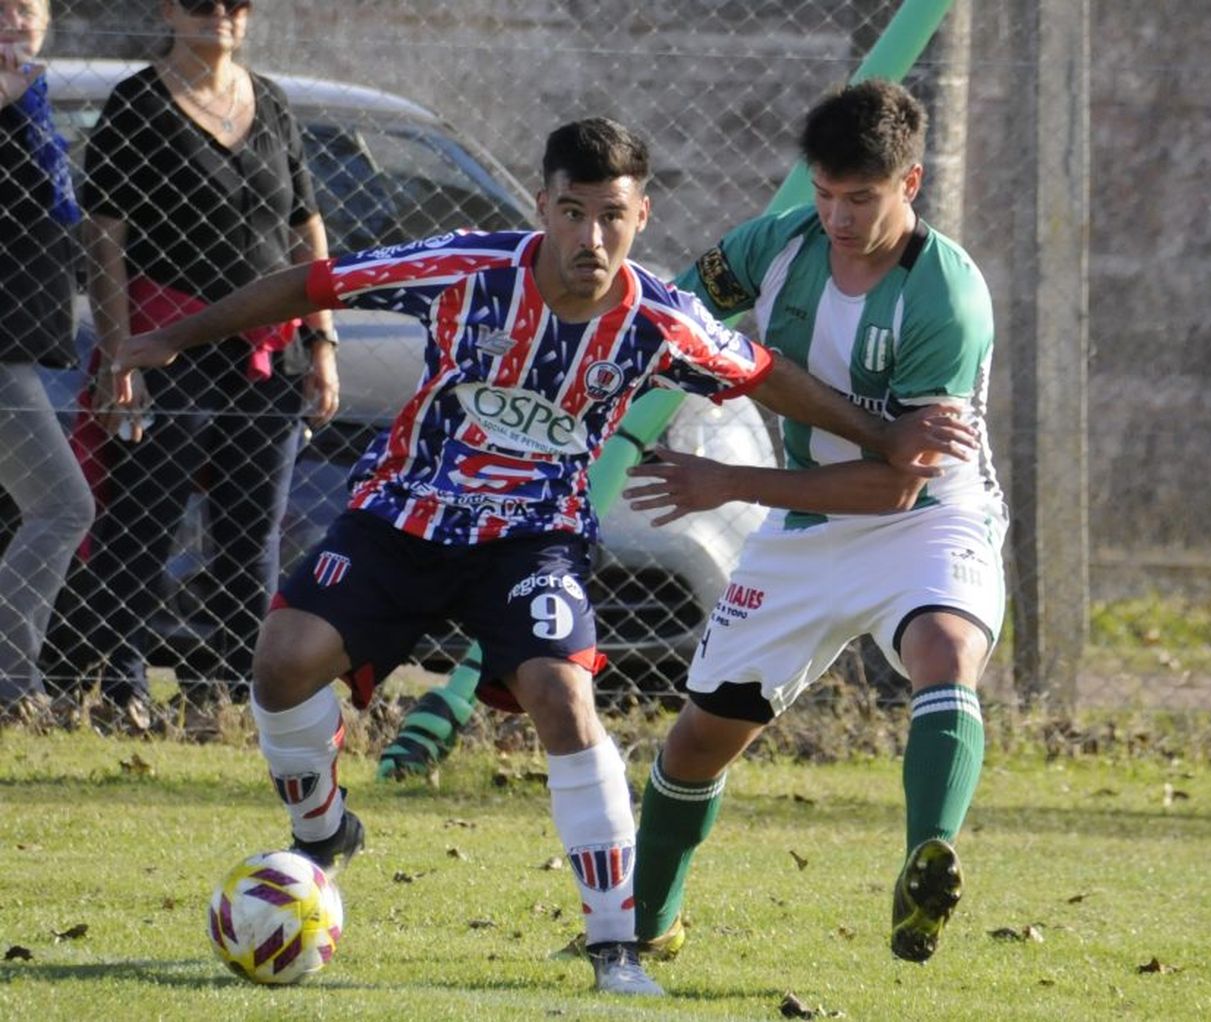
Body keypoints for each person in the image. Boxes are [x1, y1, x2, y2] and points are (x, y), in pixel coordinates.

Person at [112, 117, 973, 995]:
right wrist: (174, 336)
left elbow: (763, 373)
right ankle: (322, 827)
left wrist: (882, 431)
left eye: (611, 215)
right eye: (571, 212)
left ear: (642, 215)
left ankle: (616, 951)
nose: (590, 238)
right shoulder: (466, 266)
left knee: (565, 696)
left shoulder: (661, 321)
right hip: (403, 515)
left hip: (533, 540)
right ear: (542, 208)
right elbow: (314, 280)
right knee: (283, 662)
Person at [625, 80, 1006, 965]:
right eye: (824, 193)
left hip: (929, 519)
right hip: (800, 525)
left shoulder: (946, 298)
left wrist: (727, 479)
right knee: (698, 743)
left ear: (909, 184)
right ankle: (647, 926)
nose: (836, 216)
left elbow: (893, 490)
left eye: (860, 198)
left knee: (946, 653)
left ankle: (926, 860)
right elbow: (675, 315)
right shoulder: (779, 242)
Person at [48, 0, 338, 726]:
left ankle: (235, 694)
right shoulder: (137, 104)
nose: (222, 16)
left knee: (252, 536)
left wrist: (323, 342)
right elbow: (105, 235)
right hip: (165, 346)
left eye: (236, 4)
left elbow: (306, 228)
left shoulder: (268, 101)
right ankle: (123, 688)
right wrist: (120, 353)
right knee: (142, 524)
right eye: (202, 3)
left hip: (267, 358)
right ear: (170, 12)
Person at [0, 0, 95, 719]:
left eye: (27, 8)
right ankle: (10, 681)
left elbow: (57, 211)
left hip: (19, 344)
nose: (15, 20)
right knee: (63, 505)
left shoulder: (31, 93)